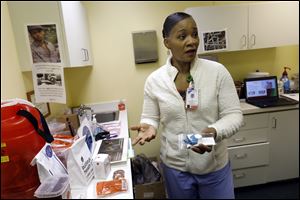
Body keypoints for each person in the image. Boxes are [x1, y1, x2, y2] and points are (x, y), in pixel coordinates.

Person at [131, 12, 243, 199]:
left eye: (195, 34)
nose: (191, 41)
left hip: (213, 167)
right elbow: (151, 117)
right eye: (182, 36)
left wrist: (213, 131)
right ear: (167, 42)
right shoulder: (155, 80)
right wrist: (149, 126)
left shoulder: (217, 73)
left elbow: (234, 115)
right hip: (176, 168)